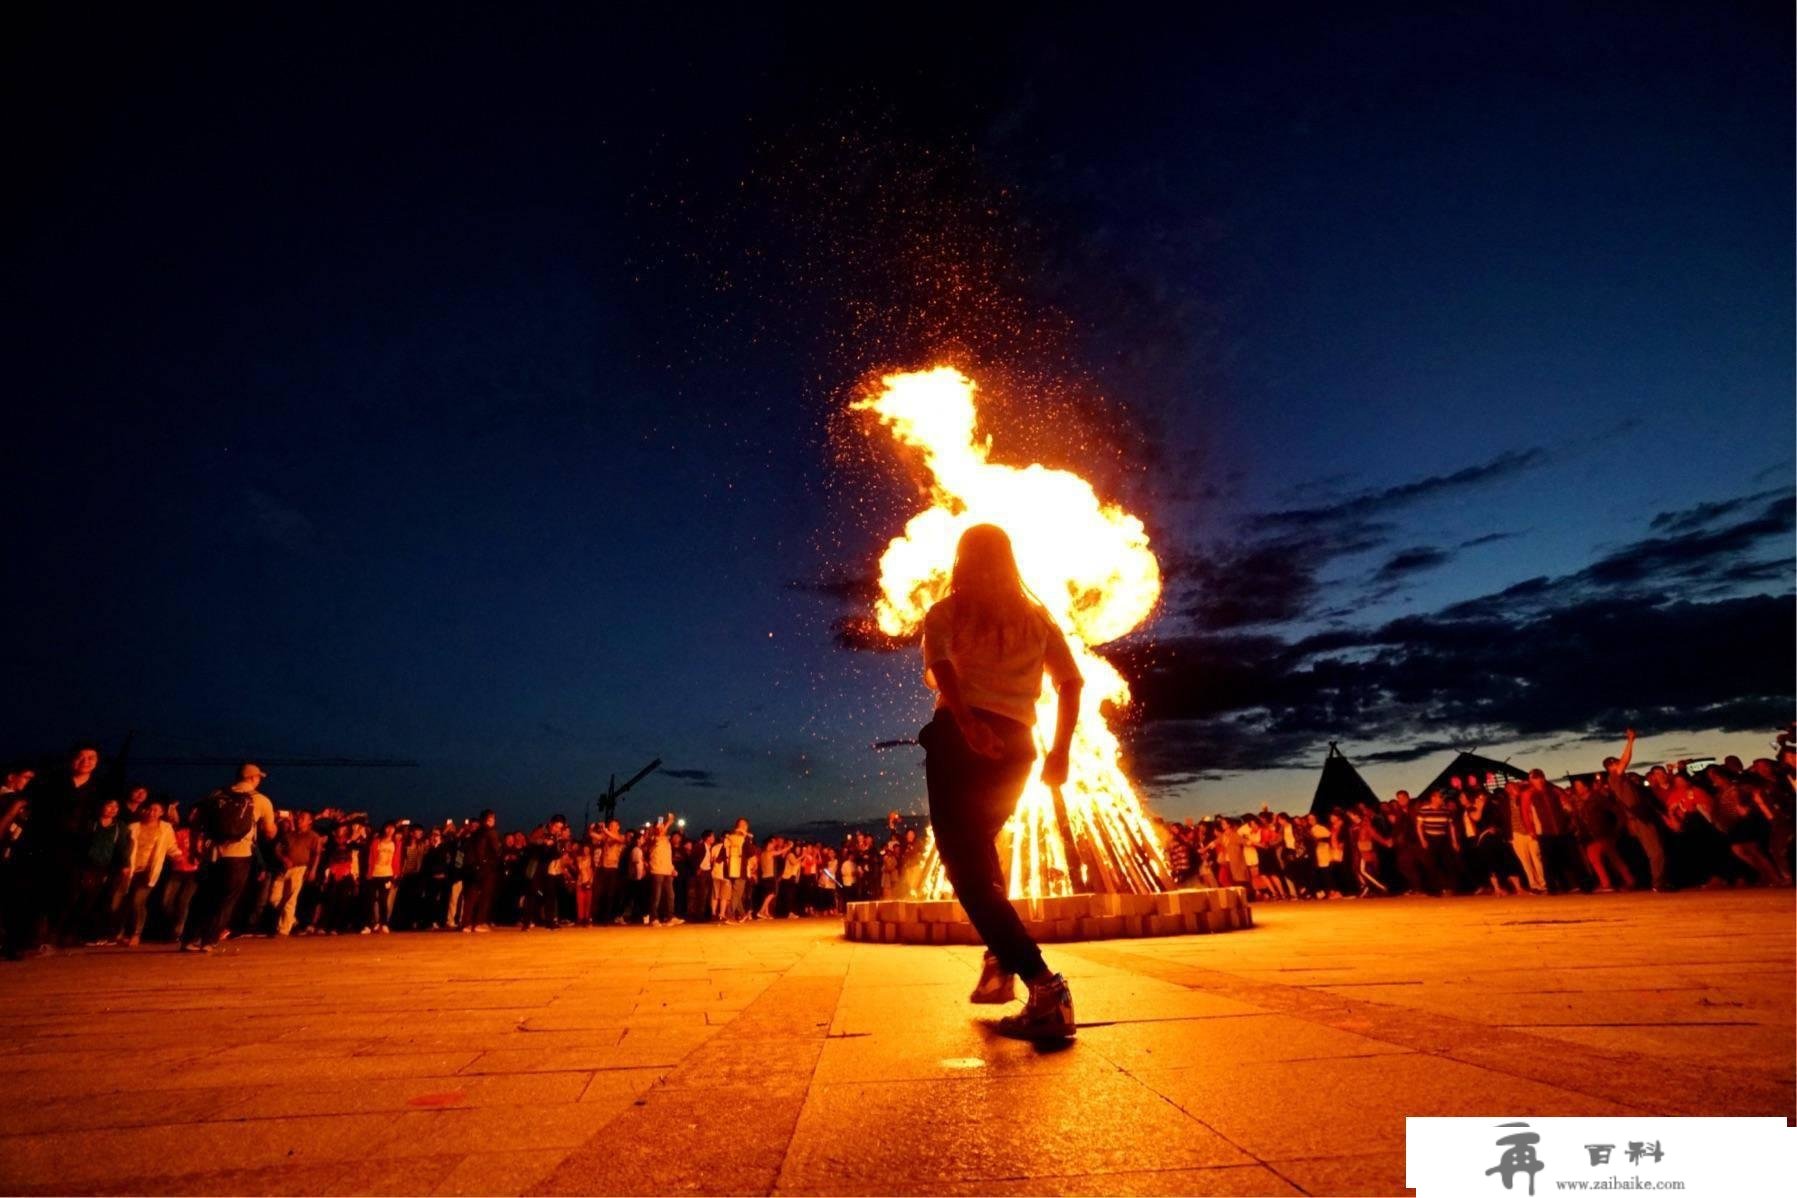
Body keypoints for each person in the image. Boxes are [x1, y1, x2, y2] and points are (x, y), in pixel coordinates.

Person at [917, 524, 1082, 1040]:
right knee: (980, 847)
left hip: (961, 742)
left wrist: (966, 724)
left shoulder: (948, 611)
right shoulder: (1037, 619)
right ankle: (999, 959)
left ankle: (1043, 985)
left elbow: (941, 665)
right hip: (1018, 746)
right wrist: (1060, 751)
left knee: (963, 866)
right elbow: (1071, 681)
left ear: (962, 559)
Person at [182, 763, 277, 953]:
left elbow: (195, 823)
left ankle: (189, 939)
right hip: (239, 855)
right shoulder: (260, 800)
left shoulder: (216, 795)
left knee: (203, 896)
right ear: (252, 778)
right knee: (227, 899)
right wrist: (274, 828)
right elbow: (269, 832)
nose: (259, 781)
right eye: (258, 777)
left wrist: (194, 848)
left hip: (212, 854)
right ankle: (209, 940)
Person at [1606, 729, 1669, 890]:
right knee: (1656, 852)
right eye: (1616, 762)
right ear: (1611, 766)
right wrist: (1630, 741)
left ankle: (1659, 880)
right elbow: (1624, 762)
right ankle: (1658, 883)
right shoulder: (1614, 777)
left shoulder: (1622, 780)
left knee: (1656, 850)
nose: (1620, 763)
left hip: (1640, 816)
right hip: (1639, 817)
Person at [117, 796, 180, 946]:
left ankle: (136, 934)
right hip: (130, 869)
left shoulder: (165, 828)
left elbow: (171, 845)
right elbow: (123, 847)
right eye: (150, 809)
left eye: (156, 810)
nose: (152, 812)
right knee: (120, 902)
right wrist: (122, 864)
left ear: (161, 813)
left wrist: (179, 855)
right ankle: (119, 932)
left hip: (149, 870)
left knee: (138, 901)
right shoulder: (133, 827)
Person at [270, 810, 322, 936]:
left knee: (290, 899)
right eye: (299, 817)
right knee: (274, 898)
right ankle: (292, 920)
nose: (299, 819)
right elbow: (277, 849)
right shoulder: (290, 835)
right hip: (284, 869)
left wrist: (313, 870)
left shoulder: (313, 836)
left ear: (310, 821)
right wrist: (284, 858)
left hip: (300, 868)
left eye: (303, 818)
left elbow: (317, 854)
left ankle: (283, 930)